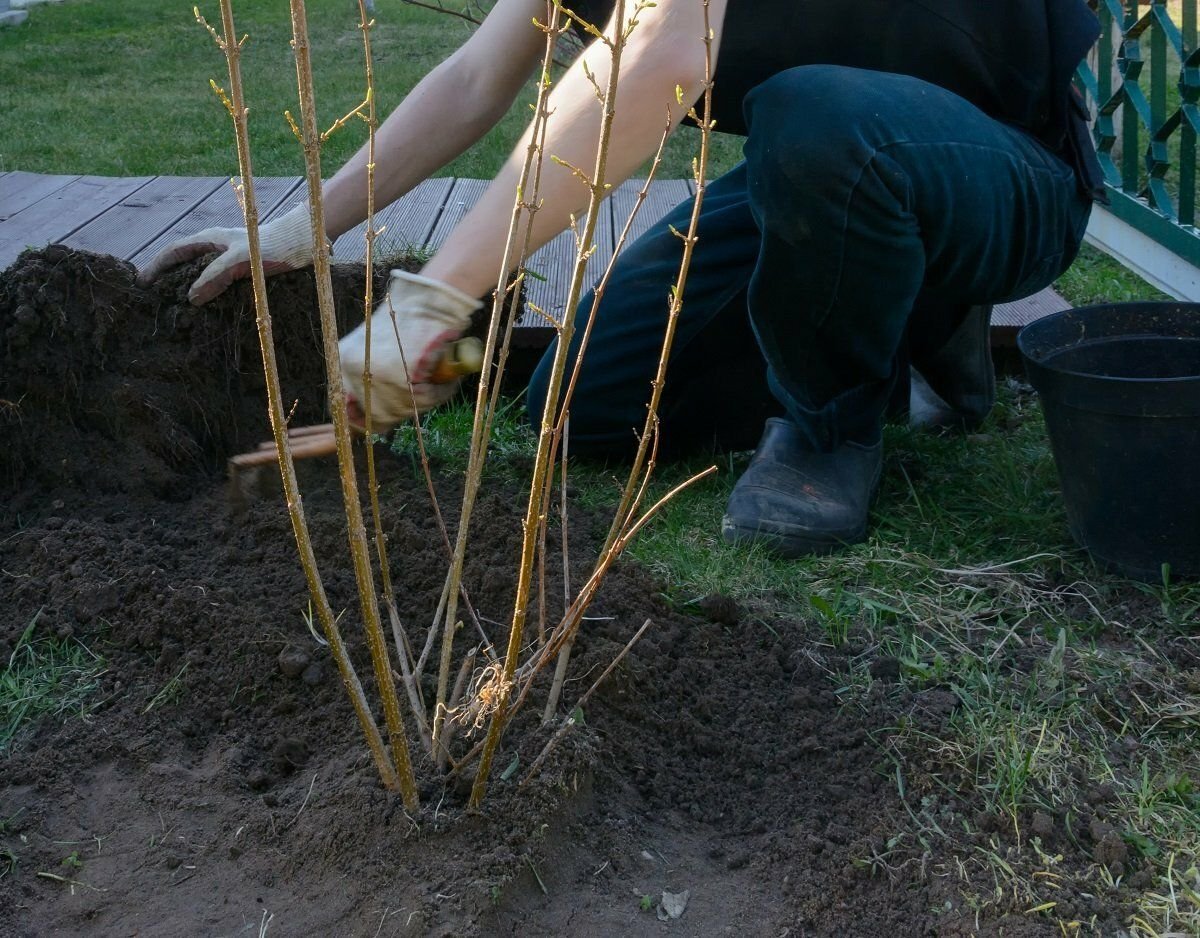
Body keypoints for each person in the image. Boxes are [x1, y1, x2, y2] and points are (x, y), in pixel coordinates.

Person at [141, 0, 1104, 557]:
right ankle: (908, 327)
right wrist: (304, 229)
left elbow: (658, 58)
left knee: (811, 114)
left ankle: (831, 430)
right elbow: (478, 79)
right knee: (584, 405)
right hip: (825, 172)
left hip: (1005, 167)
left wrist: (433, 306)